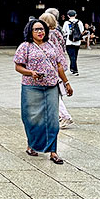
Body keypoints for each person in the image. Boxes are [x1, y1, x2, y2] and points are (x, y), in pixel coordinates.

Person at [14, 19, 73, 165]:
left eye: (42, 29)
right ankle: (32, 144)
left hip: (51, 85)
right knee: (31, 118)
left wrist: (66, 82)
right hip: (31, 86)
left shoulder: (51, 45)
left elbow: (59, 65)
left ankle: (53, 151)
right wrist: (30, 72)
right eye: (36, 29)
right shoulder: (25, 46)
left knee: (52, 118)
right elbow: (18, 67)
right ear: (30, 31)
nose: (40, 32)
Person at [40, 12, 73, 128]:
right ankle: (58, 115)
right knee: (55, 92)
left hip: (54, 65)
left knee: (52, 93)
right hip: (60, 63)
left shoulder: (48, 34)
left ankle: (65, 116)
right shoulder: (58, 32)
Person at [61, 10, 84, 75]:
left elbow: (64, 31)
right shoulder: (79, 22)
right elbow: (82, 31)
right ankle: (73, 68)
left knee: (71, 56)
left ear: (68, 15)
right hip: (77, 42)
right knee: (75, 56)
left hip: (69, 41)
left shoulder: (66, 23)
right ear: (75, 15)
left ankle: (74, 70)